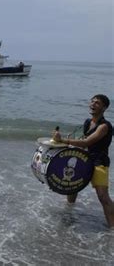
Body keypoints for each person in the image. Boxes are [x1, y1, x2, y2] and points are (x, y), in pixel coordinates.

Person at [53, 94, 113, 228]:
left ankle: (112, 228)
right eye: (92, 102)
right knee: (72, 186)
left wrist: (63, 140)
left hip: (99, 162)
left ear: (104, 108)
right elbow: (85, 145)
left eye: (97, 103)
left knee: (103, 196)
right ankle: (69, 211)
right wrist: (69, 142)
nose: (93, 104)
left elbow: (87, 141)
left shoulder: (104, 126)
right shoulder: (88, 122)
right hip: (85, 159)